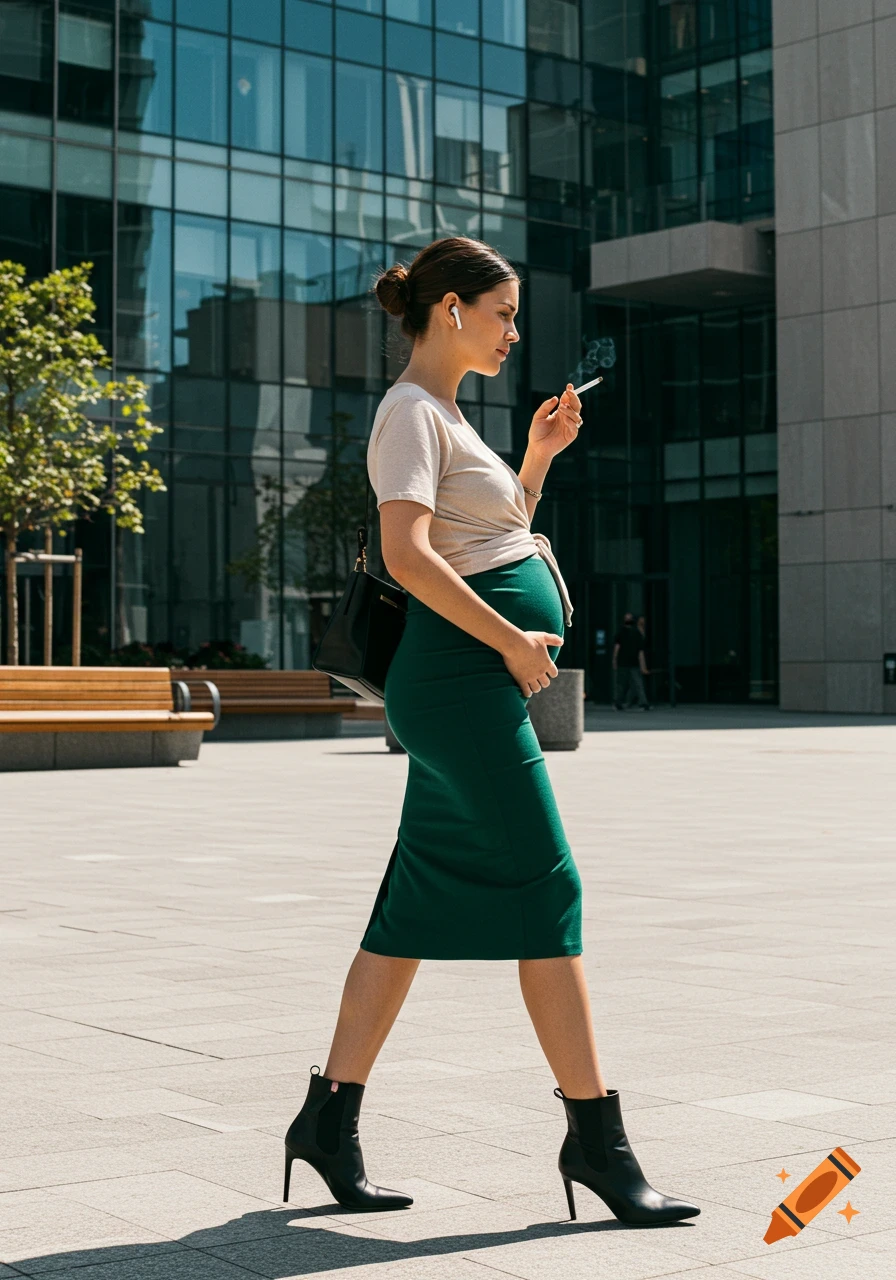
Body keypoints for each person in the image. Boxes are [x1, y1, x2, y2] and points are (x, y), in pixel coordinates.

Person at [283, 237, 697, 1228]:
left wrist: (538, 459)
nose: (516, 332)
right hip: (459, 680)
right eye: (504, 313)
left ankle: (325, 1123)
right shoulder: (407, 414)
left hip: (473, 677)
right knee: (548, 885)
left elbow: (496, 531)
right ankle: (596, 1142)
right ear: (452, 310)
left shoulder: (451, 417)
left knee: (410, 908)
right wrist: (513, 638)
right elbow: (407, 554)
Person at [613, 613, 651, 710]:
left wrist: (614, 660)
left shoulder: (621, 632)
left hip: (626, 662)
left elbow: (617, 648)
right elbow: (640, 651)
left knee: (623, 684)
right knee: (636, 683)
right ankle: (642, 703)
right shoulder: (635, 633)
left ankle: (620, 702)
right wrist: (643, 666)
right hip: (630, 662)